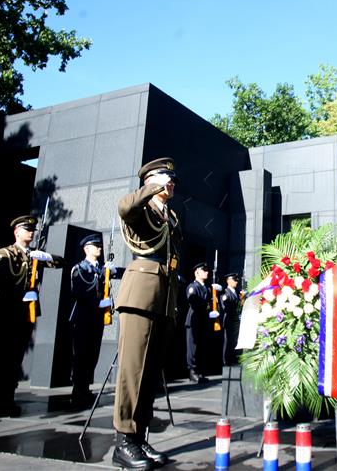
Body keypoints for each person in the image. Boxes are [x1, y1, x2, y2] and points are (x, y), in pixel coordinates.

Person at [113, 157, 182, 470]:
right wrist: (150, 187)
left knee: (150, 372)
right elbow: (124, 208)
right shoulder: (141, 209)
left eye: (171, 178)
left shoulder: (171, 216)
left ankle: (139, 435)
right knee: (133, 370)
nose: (170, 183)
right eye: (164, 177)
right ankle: (123, 441)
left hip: (163, 296)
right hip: (140, 292)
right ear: (150, 181)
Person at [0, 215, 62, 416]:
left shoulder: (34, 255)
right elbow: (1, 279)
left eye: (32, 229)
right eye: (26, 229)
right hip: (7, 313)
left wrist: (44, 257)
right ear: (16, 232)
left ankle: (8, 398)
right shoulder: (5, 254)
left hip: (25, 315)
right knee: (1, 356)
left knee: (16, 356)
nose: (31, 232)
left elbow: (60, 262)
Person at [68, 234, 121, 408]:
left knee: (92, 355)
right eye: (95, 245)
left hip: (96, 318)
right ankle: (78, 390)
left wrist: (112, 271)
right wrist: (100, 301)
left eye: (100, 245)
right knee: (81, 355)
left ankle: (86, 388)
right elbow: (80, 292)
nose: (99, 248)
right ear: (86, 249)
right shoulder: (80, 268)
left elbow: (119, 272)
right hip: (82, 317)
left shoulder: (100, 268)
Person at [185, 262, 220, 382]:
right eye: (203, 270)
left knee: (201, 347)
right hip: (194, 320)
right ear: (196, 272)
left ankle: (199, 371)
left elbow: (211, 303)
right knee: (193, 348)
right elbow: (194, 303)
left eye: (206, 270)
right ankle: (192, 371)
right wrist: (207, 309)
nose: (207, 272)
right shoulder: (192, 287)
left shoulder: (207, 288)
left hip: (203, 321)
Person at [220, 272, 241, 367]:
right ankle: (226, 360)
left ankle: (233, 358)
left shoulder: (237, 292)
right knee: (228, 340)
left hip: (236, 319)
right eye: (234, 280)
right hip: (229, 319)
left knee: (235, 340)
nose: (236, 282)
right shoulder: (225, 293)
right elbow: (225, 306)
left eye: (237, 280)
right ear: (228, 281)